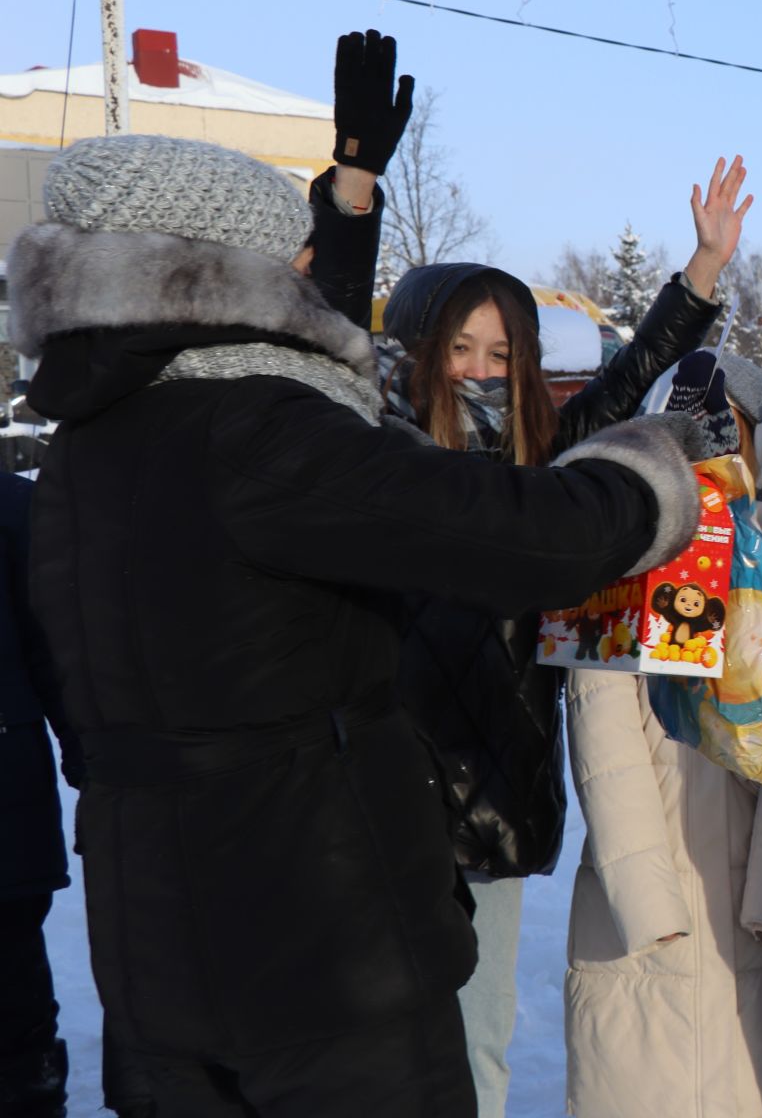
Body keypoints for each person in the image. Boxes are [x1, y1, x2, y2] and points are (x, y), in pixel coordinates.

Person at [12, 132, 704, 1118]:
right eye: (290, 253)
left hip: (152, 935)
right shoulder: (257, 427)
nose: (307, 269)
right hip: (321, 946)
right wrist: (648, 473)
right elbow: (521, 534)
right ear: (221, 269)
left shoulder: (90, 442)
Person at [371, 158, 750, 1118]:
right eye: (462, 350)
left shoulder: (545, 473)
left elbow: (622, 390)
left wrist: (700, 273)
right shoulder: (369, 465)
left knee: (475, 1033)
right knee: (366, 1035)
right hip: (374, 797)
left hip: (493, 798)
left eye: (504, 354)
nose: (485, 373)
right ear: (418, 351)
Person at [563, 349, 762, 1118]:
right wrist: (648, 904)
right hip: (644, 897)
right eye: (689, 431)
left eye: (733, 432)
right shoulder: (625, 557)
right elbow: (604, 743)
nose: (713, 449)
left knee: (760, 1089)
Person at [0, 471, 68, 1118]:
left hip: (7, 801)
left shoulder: (13, 506)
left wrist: (90, 757)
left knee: (16, 994)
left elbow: (53, 649)